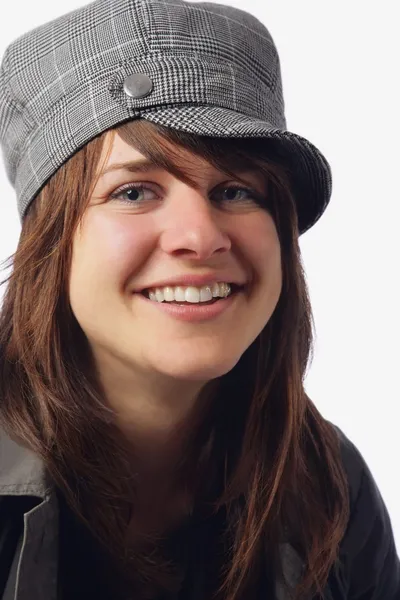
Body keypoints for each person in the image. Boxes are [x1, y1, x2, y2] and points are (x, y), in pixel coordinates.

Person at [0, 0, 398, 598]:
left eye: (236, 189)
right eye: (134, 191)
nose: (202, 237)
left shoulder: (326, 479)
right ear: (50, 244)